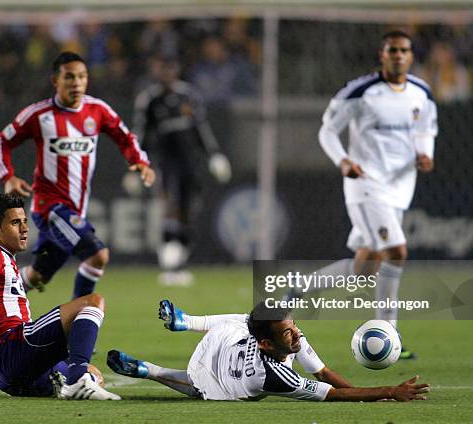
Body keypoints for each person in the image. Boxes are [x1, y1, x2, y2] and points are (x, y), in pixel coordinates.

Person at [287, 30, 438, 359]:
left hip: (400, 187)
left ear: (411, 56)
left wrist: (425, 152)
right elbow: (327, 129)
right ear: (381, 55)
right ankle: (389, 330)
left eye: (404, 50)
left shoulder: (421, 93)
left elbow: (426, 129)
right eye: (392, 50)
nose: (398, 55)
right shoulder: (361, 92)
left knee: (366, 267)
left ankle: (299, 288)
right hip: (366, 184)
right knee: (396, 250)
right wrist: (343, 160)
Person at [0, 51, 155, 299]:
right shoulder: (38, 115)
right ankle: (79, 322)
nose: (76, 83)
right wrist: (8, 177)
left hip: (76, 210)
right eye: (69, 77)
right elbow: (2, 141)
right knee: (97, 255)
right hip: (50, 208)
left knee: (38, 275)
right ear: (55, 81)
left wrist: (140, 161)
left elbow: (125, 137)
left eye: (82, 76)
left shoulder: (98, 110)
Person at [0, 193, 120, 400]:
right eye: (15, 223)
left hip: (13, 374)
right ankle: (76, 381)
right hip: (10, 348)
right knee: (92, 302)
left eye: (25, 222)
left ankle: (66, 382)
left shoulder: (7, 261)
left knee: (94, 374)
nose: (25, 228)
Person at [107, 300, 430, 402]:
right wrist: (390, 390)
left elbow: (322, 371)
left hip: (220, 342)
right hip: (209, 380)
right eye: (288, 331)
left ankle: (185, 322)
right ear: (266, 344)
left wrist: (381, 396)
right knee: (202, 388)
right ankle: (152, 371)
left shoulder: (285, 337)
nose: (297, 334)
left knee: (244, 320)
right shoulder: (273, 376)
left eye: (293, 326)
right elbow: (329, 392)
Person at [132, 56, 231, 285]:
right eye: (162, 69)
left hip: (190, 162)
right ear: (157, 71)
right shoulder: (150, 100)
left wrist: (214, 154)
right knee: (169, 206)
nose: (167, 73)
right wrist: (136, 166)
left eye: (170, 68)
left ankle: (180, 263)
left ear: (176, 70)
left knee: (188, 210)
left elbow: (201, 128)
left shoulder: (188, 96)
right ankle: (168, 264)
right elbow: (141, 136)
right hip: (164, 162)